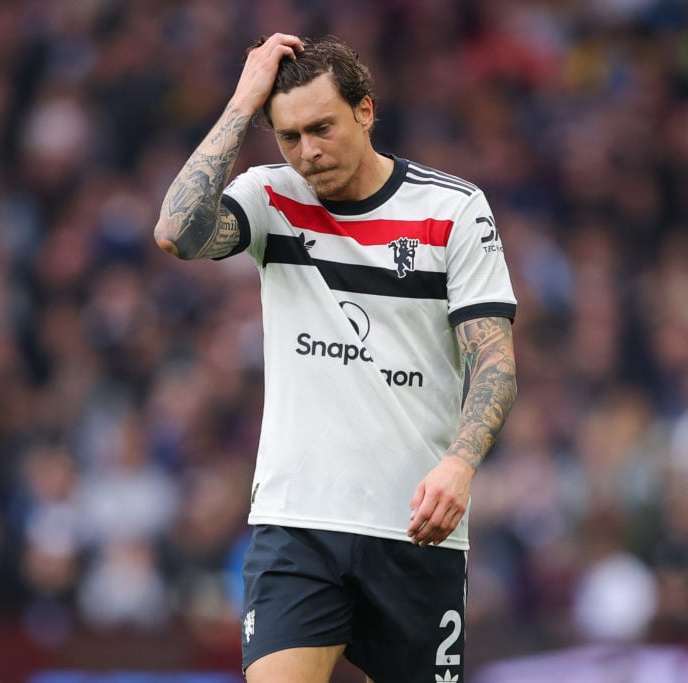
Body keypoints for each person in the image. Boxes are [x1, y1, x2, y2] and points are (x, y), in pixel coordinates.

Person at [154, 33, 517, 683]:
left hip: (414, 527)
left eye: (321, 127)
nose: (308, 152)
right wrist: (243, 101)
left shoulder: (453, 211)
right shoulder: (271, 198)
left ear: (365, 111)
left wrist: (460, 463)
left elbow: (493, 362)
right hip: (299, 523)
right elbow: (176, 233)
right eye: (288, 136)